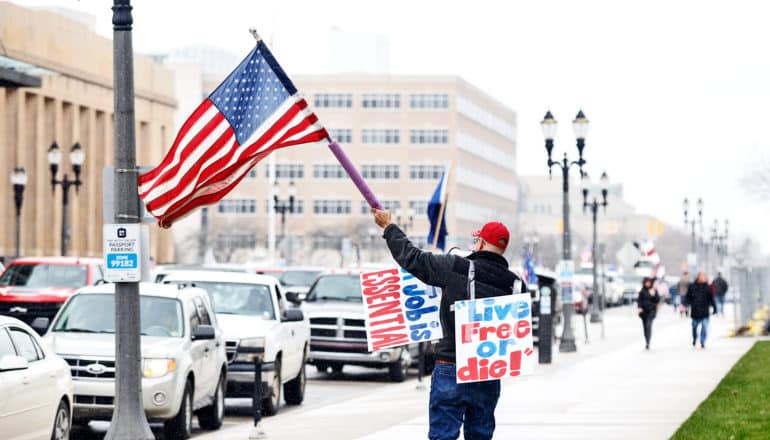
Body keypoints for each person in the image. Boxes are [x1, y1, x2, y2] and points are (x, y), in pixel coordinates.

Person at [371, 208, 524, 440]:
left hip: (450, 366)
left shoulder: (456, 267)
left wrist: (389, 227)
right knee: (481, 435)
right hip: (487, 374)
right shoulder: (516, 284)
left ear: (481, 243)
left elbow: (413, 258)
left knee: (443, 436)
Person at [684, 272, 717, 348]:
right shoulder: (692, 286)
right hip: (695, 311)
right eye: (702, 277)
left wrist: (715, 308)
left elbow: (711, 299)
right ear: (698, 277)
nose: (704, 278)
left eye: (705, 277)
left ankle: (702, 341)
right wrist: (686, 304)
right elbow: (688, 296)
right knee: (694, 326)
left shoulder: (708, 287)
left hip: (705, 311)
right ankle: (695, 338)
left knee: (704, 326)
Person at [637, 277, 660, 350]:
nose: (648, 284)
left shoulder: (653, 290)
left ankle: (648, 342)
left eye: (649, 282)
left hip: (651, 311)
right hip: (644, 312)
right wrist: (639, 308)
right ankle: (646, 340)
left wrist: (653, 295)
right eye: (646, 282)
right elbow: (639, 301)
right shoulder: (642, 291)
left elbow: (657, 300)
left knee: (648, 325)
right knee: (645, 327)